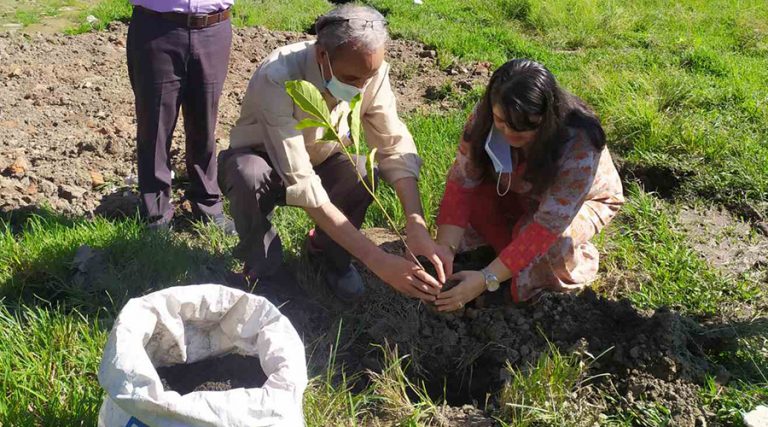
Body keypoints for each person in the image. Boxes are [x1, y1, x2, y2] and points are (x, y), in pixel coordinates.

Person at [218, 5, 446, 302]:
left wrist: (416, 226)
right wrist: (375, 259)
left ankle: (328, 255)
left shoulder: (368, 70)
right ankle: (265, 267)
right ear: (322, 55)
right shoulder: (278, 76)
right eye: (352, 79)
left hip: (322, 156)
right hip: (267, 159)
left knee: (362, 171)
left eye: (370, 76)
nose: (362, 86)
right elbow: (299, 177)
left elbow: (393, 144)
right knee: (247, 175)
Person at [433, 59, 625, 312]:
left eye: (525, 128)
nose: (509, 133)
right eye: (501, 122)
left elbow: (547, 227)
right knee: (478, 206)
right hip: (520, 185)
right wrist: (445, 252)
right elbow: (461, 184)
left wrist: (486, 280)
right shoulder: (486, 117)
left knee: (549, 247)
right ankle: (507, 260)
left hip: (581, 201)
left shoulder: (579, 143)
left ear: (547, 117)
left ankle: (540, 278)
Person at [127, 0, 236, 232]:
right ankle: (155, 214)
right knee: (155, 125)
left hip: (214, 27)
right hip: (157, 28)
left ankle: (208, 205)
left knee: (205, 123)